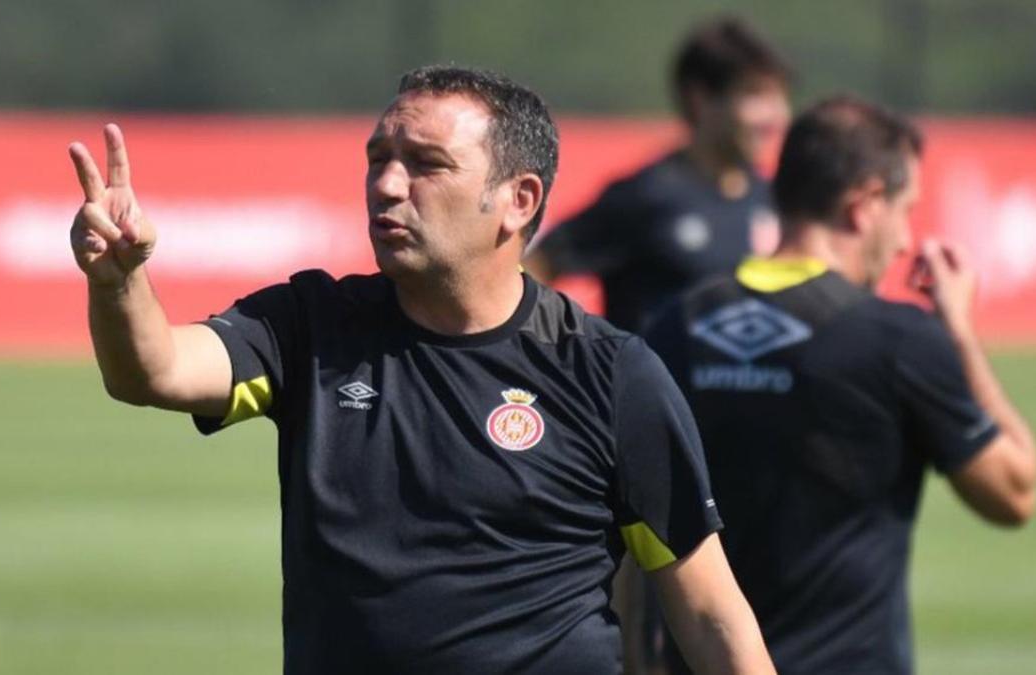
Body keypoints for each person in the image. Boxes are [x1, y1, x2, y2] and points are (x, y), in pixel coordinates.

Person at [67, 66, 775, 674]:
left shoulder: (611, 373)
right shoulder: (309, 325)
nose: (387, 184)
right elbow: (151, 372)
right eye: (378, 157)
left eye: (426, 164)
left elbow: (712, 613)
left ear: (517, 200)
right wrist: (116, 282)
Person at [642, 96, 1036, 674]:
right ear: (866, 204)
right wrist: (958, 331)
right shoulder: (897, 340)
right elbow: (1014, 492)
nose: (906, 240)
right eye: (906, 210)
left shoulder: (674, 325)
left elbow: (634, 516)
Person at [524, 15, 791, 333]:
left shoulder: (776, 199)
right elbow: (537, 267)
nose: (775, 116)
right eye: (755, 95)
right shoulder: (648, 195)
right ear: (701, 98)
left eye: (780, 97)